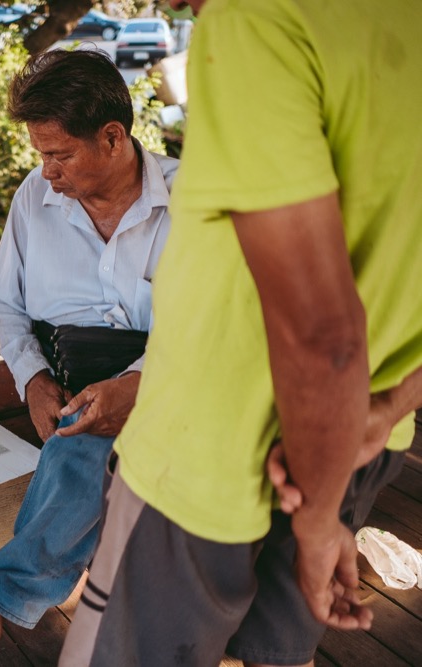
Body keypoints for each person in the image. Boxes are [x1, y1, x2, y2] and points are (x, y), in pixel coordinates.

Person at [60, 1, 422, 665]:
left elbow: (324, 336)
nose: (168, 6)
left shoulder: (258, 17)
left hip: (207, 458)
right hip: (360, 443)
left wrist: (316, 520)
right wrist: (384, 410)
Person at [0, 49, 178, 666]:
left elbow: (219, 323)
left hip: (180, 384)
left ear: (112, 137)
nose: (46, 172)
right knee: (82, 440)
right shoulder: (35, 198)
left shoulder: (191, 204)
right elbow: (4, 299)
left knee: (83, 454)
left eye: (59, 155)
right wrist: (32, 379)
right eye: (40, 155)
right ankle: (4, 604)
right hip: (73, 383)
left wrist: (140, 385)